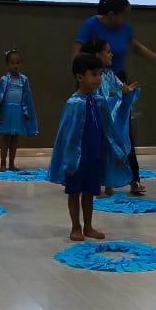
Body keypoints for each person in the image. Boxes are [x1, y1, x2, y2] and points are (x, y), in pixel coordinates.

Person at [73, 0, 156, 186]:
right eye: (123, 15)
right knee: (95, 130)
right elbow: (77, 53)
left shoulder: (123, 28)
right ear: (110, 14)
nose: (126, 20)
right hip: (94, 81)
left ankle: (132, 177)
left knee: (123, 130)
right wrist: (81, 79)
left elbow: (135, 46)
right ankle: (94, 177)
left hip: (116, 80)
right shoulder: (91, 25)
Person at [48, 53, 136, 241]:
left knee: (89, 192)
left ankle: (88, 226)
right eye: (94, 75)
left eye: (100, 74)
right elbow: (67, 135)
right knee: (74, 193)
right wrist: (67, 160)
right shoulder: (73, 104)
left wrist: (117, 152)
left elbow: (109, 130)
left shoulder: (99, 101)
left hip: (95, 155)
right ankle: (75, 227)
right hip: (77, 158)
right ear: (80, 77)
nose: (99, 79)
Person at [82, 40, 143, 197]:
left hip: (112, 119)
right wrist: (116, 96)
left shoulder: (111, 75)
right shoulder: (97, 77)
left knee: (111, 153)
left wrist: (126, 94)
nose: (112, 54)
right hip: (101, 119)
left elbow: (120, 91)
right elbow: (99, 98)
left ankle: (109, 185)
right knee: (99, 152)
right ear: (98, 55)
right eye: (108, 51)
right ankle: (94, 184)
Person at [0, 49, 39, 172]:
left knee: (14, 138)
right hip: (7, 111)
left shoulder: (24, 80)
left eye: (18, 62)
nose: (15, 65)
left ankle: (12, 163)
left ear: (22, 64)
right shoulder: (4, 80)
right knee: (5, 137)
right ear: (7, 65)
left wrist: (26, 112)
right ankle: (3, 162)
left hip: (18, 111)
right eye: (12, 63)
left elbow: (26, 97)